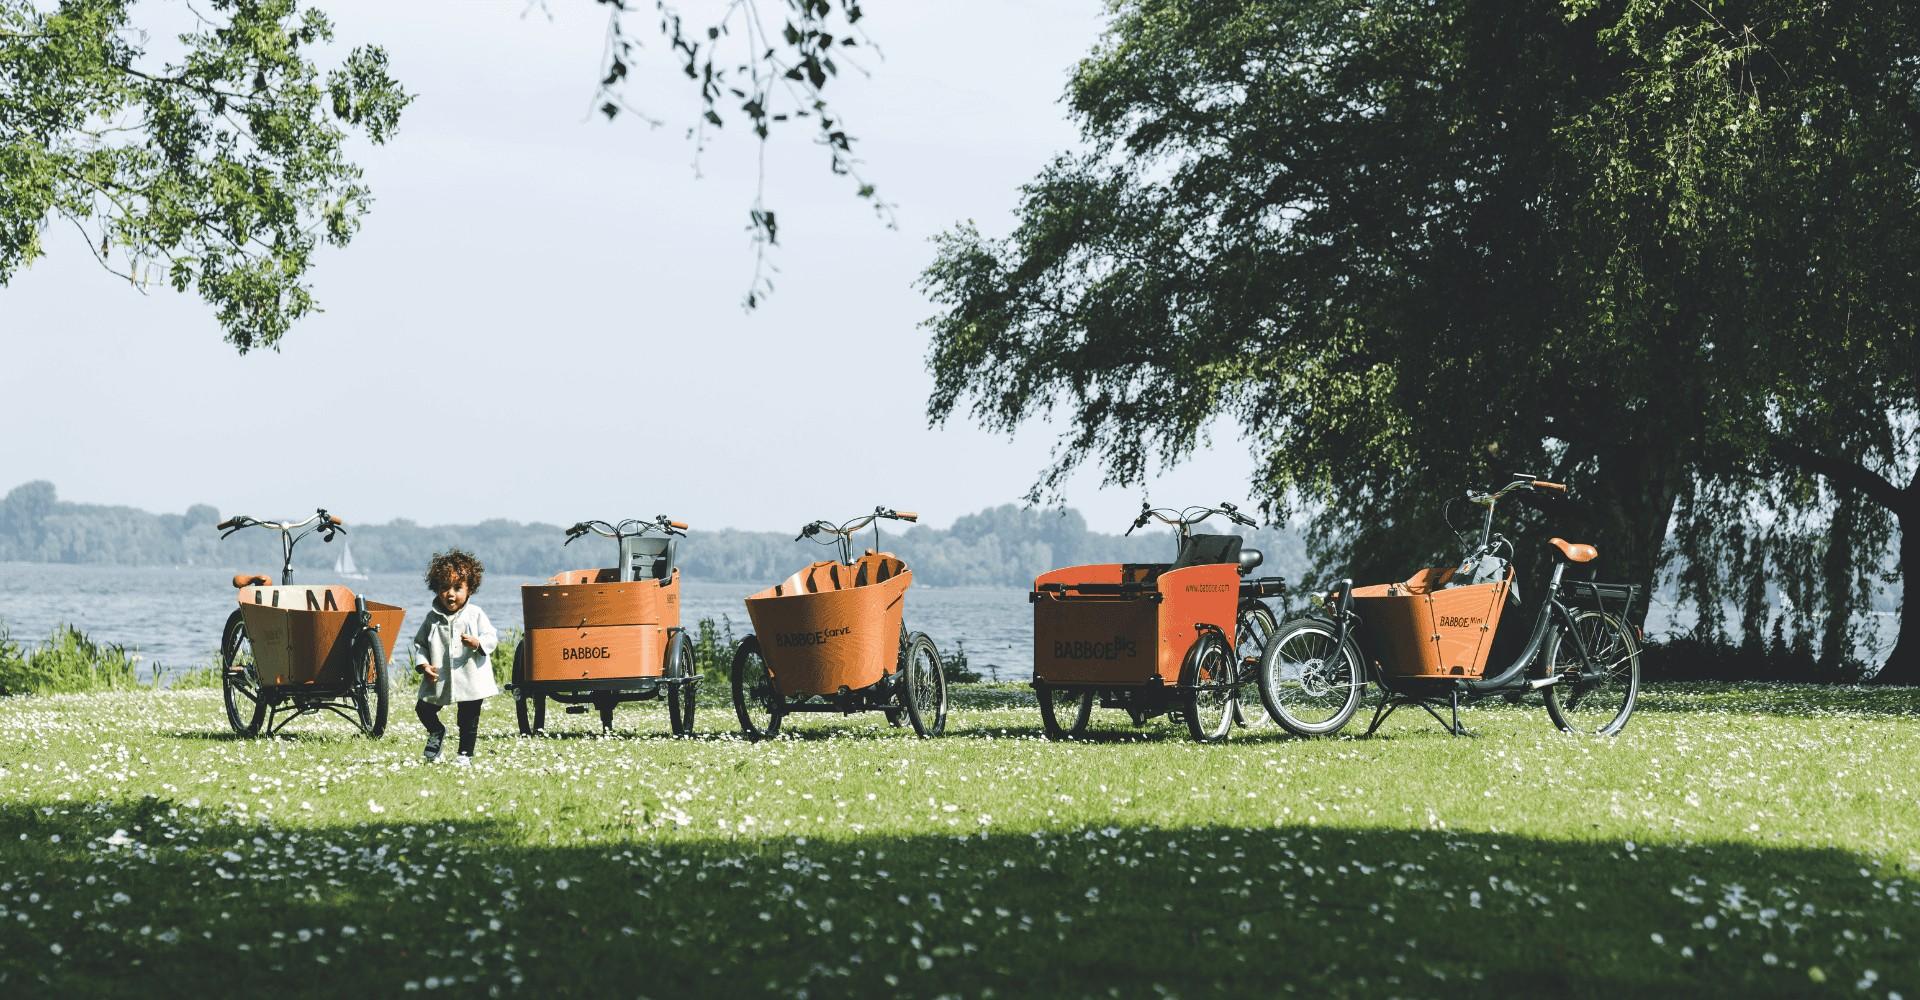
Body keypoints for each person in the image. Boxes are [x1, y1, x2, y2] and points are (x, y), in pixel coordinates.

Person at [412, 549, 498, 764]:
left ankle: (464, 755)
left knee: (468, 719)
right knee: (423, 708)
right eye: (444, 588)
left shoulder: (475, 614)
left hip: (470, 677)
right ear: (436, 589)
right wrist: (423, 665)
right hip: (439, 677)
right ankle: (437, 732)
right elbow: (420, 644)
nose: (450, 594)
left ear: (470, 589)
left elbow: (491, 637)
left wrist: (478, 643)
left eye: (457, 588)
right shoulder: (432, 618)